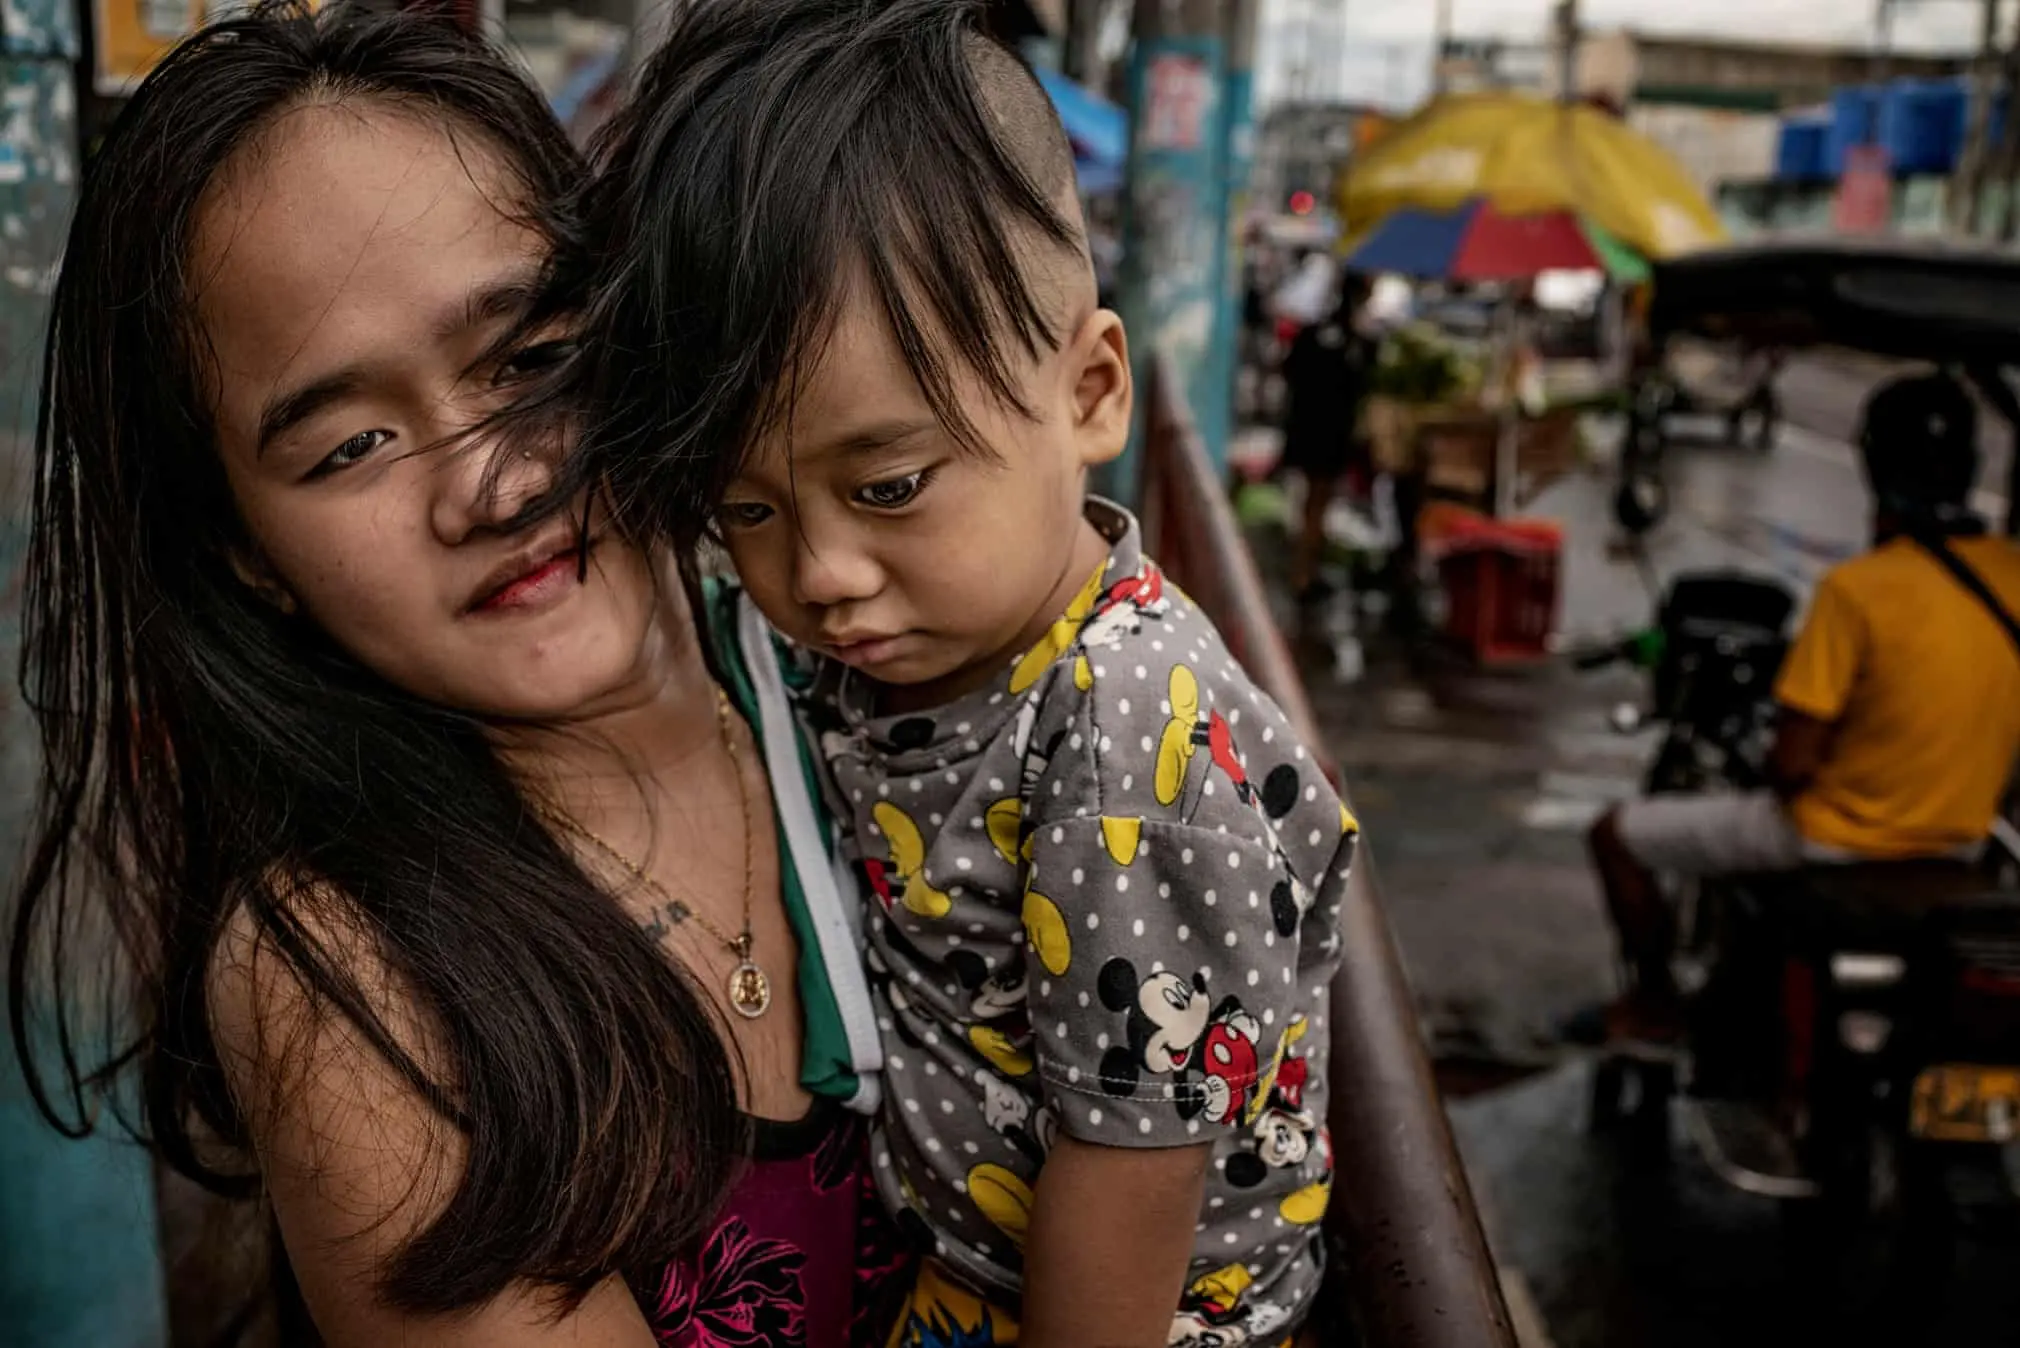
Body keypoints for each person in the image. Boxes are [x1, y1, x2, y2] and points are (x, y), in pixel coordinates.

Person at [8, 5, 904, 1344]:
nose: (500, 482)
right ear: (245, 551)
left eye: (534, 359)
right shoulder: (345, 976)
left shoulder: (852, 663)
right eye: (351, 446)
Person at [562, 2, 1359, 1345]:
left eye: (888, 485)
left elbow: (1126, 1186)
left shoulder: (1125, 747)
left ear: (1092, 395)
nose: (820, 573)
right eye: (745, 510)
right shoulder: (919, 644)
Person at [1589, 373, 2020, 1037]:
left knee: (1617, 833)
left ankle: (1655, 1007)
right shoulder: (2010, 579)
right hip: (1960, 840)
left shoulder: (1857, 592)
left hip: (1830, 840)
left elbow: (1792, 764)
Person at [1279, 272, 1379, 599]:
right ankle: (1303, 574)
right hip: (1329, 436)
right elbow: (1360, 388)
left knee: (1312, 502)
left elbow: (1290, 371)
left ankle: (1303, 569)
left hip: (1307, 429)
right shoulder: (1355, 340)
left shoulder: (1315, 332)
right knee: (1317, 503)